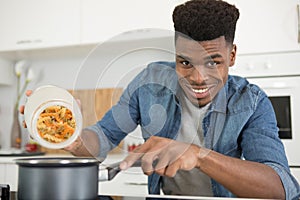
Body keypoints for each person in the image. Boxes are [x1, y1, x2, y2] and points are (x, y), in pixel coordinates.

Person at [20, 0, 300, 199]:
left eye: (213, 62)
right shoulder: (148, 83)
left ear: (232, 56)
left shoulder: (251, 101)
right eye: (185, 62)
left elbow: (280, 187)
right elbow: (103, 137)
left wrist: (198, 155)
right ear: (175, 53)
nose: (199, 78)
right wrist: (76, 140)